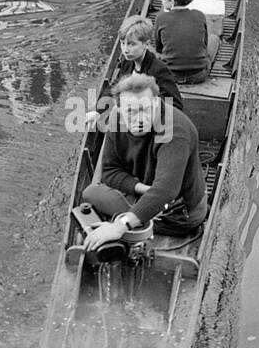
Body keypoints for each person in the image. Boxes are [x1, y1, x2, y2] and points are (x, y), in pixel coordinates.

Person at [82, 75, 207, 250]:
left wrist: (121, 225)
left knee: (96, 197)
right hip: (149, 188)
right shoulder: (116, 119)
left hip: (178, 214)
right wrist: (141, 188)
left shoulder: (175, 131)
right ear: (118, 108)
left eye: (145, 109)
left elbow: (165, 190)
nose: (139, 118)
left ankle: (132, 223)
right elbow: (110, 170)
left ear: (156, 103)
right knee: (90, 193)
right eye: (131, 111)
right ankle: (136, 216)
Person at [154, 0, 220, 86]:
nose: (161, 0)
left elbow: (159, 48)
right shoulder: (199, 15)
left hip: (170, 75)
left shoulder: (161, 18)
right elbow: (204, 44)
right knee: (214, 39)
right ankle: (204, 71)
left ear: (172, 1)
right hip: (198, 75)